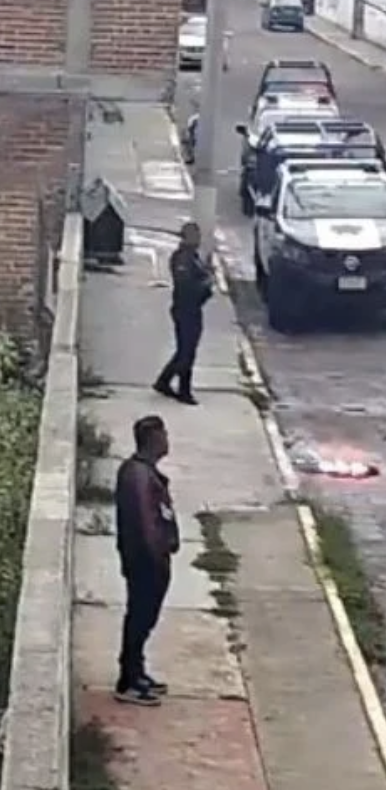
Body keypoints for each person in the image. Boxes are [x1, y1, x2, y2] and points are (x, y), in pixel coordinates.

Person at [113, 415, 179, 707]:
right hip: (146, 562)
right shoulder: (138, 476)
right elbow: (144, 523)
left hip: (150, 559)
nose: (167, 440)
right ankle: (128, 680)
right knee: (140, 617)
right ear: (153, 439)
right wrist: (157, 557)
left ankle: (136, 671)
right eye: (163, 434)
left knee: (144, 618)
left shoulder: (145, 472)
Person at [153, 222, 213, 405]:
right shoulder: (182, 259)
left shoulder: (193, 257)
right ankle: (183, 390)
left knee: (185, 350)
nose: (198, 240)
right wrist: (206, 283)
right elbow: (186, 286)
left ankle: (164, 381)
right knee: (186, 351)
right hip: (185, 309)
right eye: (195, 236)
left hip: (193, 309)